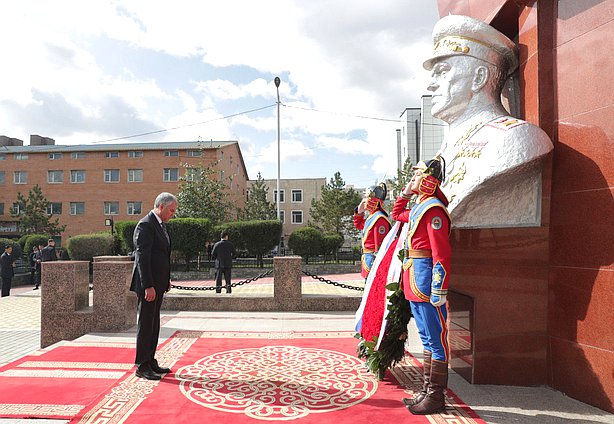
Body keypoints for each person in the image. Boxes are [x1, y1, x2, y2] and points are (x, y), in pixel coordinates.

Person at [424, 15, 553, 227]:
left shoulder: (515, 138)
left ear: (479, 78)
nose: (431, 85)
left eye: (442, 72)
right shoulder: (447, 147)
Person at [391, 157, 451, 415]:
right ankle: (428, 391)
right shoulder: (420, 207)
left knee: (436, 339)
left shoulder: (433, 210)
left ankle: (436, 396)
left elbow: (442, 254)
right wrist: (405, 192)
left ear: (428, 180)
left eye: (416, 177)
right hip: (414, 278)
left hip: (427, 281)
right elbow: (396, 213)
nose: (411, 180)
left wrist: (439, 288)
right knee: (426, 338)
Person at [130, 192, 177, 380]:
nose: (172, 214)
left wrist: (165, 280)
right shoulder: (146, 224)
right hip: (148, 285)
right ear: (161, 206)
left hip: (158, 284)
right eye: (171, 210)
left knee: (154, 323)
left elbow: (162, 256)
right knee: (146, 323)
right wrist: (148, 285)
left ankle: (150, 360)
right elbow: (142, 257)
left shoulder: (160, 225)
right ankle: (142, 364)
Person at [353, 183, 392, 280]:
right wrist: (359, 212)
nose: (365, 201)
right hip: (367, 258)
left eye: (366, 198)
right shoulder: (372, 216)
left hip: (373, 260)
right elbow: (358, 225)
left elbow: (379, 245)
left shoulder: (379, 218)